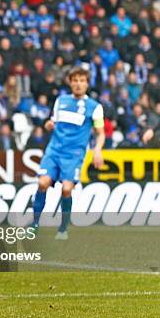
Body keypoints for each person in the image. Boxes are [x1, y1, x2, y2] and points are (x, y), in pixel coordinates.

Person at [32, 67, 105, 240]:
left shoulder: (94, 107)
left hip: (73, 155)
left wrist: (97, 151)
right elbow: (53, 121)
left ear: (87, 84)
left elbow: (100, 133)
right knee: (42, 183)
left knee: (66, 189)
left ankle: (63, 228)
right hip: (54, 150)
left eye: (82, 80)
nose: (78, 84)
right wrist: (49, 124)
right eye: (75, 80)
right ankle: (34, 224)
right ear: (70, 82)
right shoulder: (61, 100)